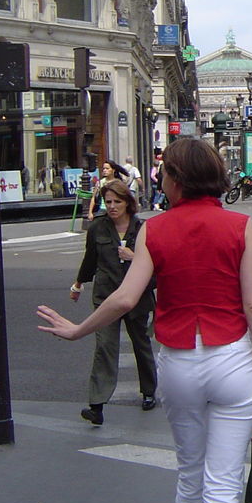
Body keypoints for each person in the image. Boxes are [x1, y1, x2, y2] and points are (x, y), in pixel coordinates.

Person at [37, 138, 252, 503]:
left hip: (179, 360)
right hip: (232, 359)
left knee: (190, 477)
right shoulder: (240, 225)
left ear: (177, 179)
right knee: (222, 489)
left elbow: (124, 298)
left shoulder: (154, 228)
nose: (160, 179)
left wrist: (79, 330)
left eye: (165, 171)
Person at [70, 179, 158, 425]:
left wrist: (135, 257)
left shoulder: (143, 229)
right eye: (108, 202)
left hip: (136, 297)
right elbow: (90, 260)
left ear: (128, 203)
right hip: (106, 296)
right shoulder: (98, 228)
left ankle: (149, 391)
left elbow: (157, 267)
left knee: (141, 343)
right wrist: (78, 283)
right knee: (105, 347)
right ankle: (96, 405)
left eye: (117, 201)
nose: (111, 206)